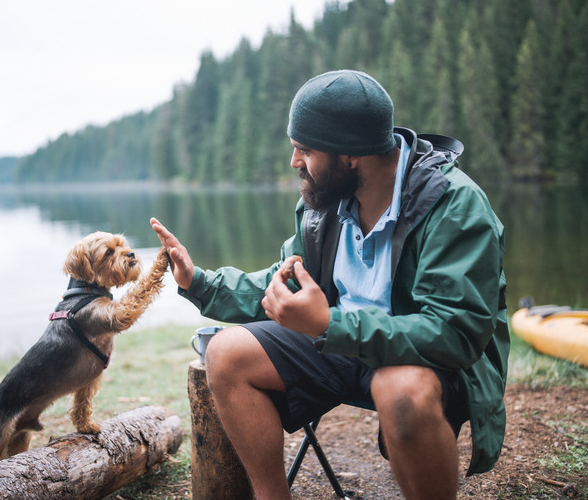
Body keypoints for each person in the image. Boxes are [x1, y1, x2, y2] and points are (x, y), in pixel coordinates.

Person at [151, 69, 508, 500]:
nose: (294, 162)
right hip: (340, 344)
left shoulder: (454, 205)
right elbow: (281, 279)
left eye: (304, 149)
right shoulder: (324, 203)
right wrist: (201, 283)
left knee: (398, 391)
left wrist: (328, 325)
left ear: (351, 154)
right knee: (226, 353)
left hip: (425, 360)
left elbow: (455, 333)